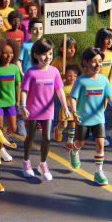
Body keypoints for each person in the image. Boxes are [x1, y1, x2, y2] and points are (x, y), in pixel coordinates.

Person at [20, 38, 70, 181]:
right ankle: (26, 162)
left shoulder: (54, 71)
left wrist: (65, 107)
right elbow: (24, 90)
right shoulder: (30, 72)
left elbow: (59, 90)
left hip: (48, 111)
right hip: (32, 110)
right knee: (30, 137)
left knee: (47, 138)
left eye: (50, 53)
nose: (47, 57)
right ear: (35, 55)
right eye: (43, 54)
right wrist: (23, 106)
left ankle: (43, 164)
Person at [69, 47, 112, 186]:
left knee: (100, 143)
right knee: (80, 143)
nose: (98, 64)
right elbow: (73, 97)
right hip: (83, 119)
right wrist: (74, 112)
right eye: (94, 61)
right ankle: (74, 151)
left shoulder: (104, 81)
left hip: (99, 119)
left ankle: (99, 172)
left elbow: (110, 97)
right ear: (85, 62)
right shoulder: (81, 81)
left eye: (100, 61)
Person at [0, 38, 21, 162]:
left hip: (11, 102)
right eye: (5, 53)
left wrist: (18, 100)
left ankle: (0, 139)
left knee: (13, 128)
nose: (9, 56)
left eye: (11, 53)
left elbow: (18, 84)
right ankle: (0, 149)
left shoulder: (15, 68)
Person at [53, 64, 81, 150]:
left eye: (75, 76)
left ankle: (70, 141)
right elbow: (56, 95)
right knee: (64, 124)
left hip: (74, 110)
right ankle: (58, 129)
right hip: (65, 110)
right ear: (65, 75)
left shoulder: (78, 86)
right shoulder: (62, 86)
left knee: (73, 125)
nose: (72, 78)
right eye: (69, 76)